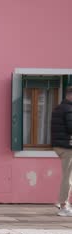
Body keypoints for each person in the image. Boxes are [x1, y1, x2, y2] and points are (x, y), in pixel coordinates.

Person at [51, 85, 72, 216]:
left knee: (67, 176)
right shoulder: (69, 109)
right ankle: (63, 206)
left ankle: (62, 202)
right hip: (67, 147)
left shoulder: (59, 107)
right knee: (68, 178)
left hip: (58, 146)